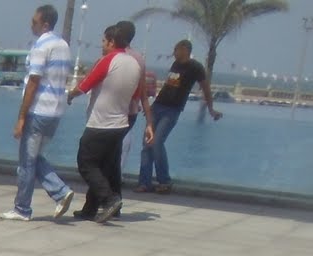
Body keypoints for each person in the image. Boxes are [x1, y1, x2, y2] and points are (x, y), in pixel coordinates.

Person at [68, 23, 154, 223]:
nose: (102, 45)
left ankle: (109, 199)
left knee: (86, 163)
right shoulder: (135, 64)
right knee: (106, 166)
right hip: (121, 123)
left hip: (100, 123)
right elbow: (137, 95)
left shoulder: (107, 60)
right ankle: (90, 209)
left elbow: (85, 85)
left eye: (104, 41)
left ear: (112, 42)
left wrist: (70, 95)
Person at [0, 5, 74, 222]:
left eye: (34, 21)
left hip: (39, 110)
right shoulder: (63, 46)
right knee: (34, 158)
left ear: (45, 24)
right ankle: (60, 191)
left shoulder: (41, 46)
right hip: (55, 112)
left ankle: (23, 207)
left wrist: (21, 117)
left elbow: (34, 81)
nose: (31, 25)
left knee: (26, 162)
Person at [137, 39, 222, 193]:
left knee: (157, 142)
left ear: (184, 49)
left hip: (172, 110)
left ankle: (164, 181)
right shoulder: (175, 64)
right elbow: (168, 87)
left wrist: (211, 109)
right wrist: (151, 107)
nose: (173, 53)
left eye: (176, 50)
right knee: (147, 143)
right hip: (158, 106)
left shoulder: (195, 67)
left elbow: (206, 88)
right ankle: (144, 182)